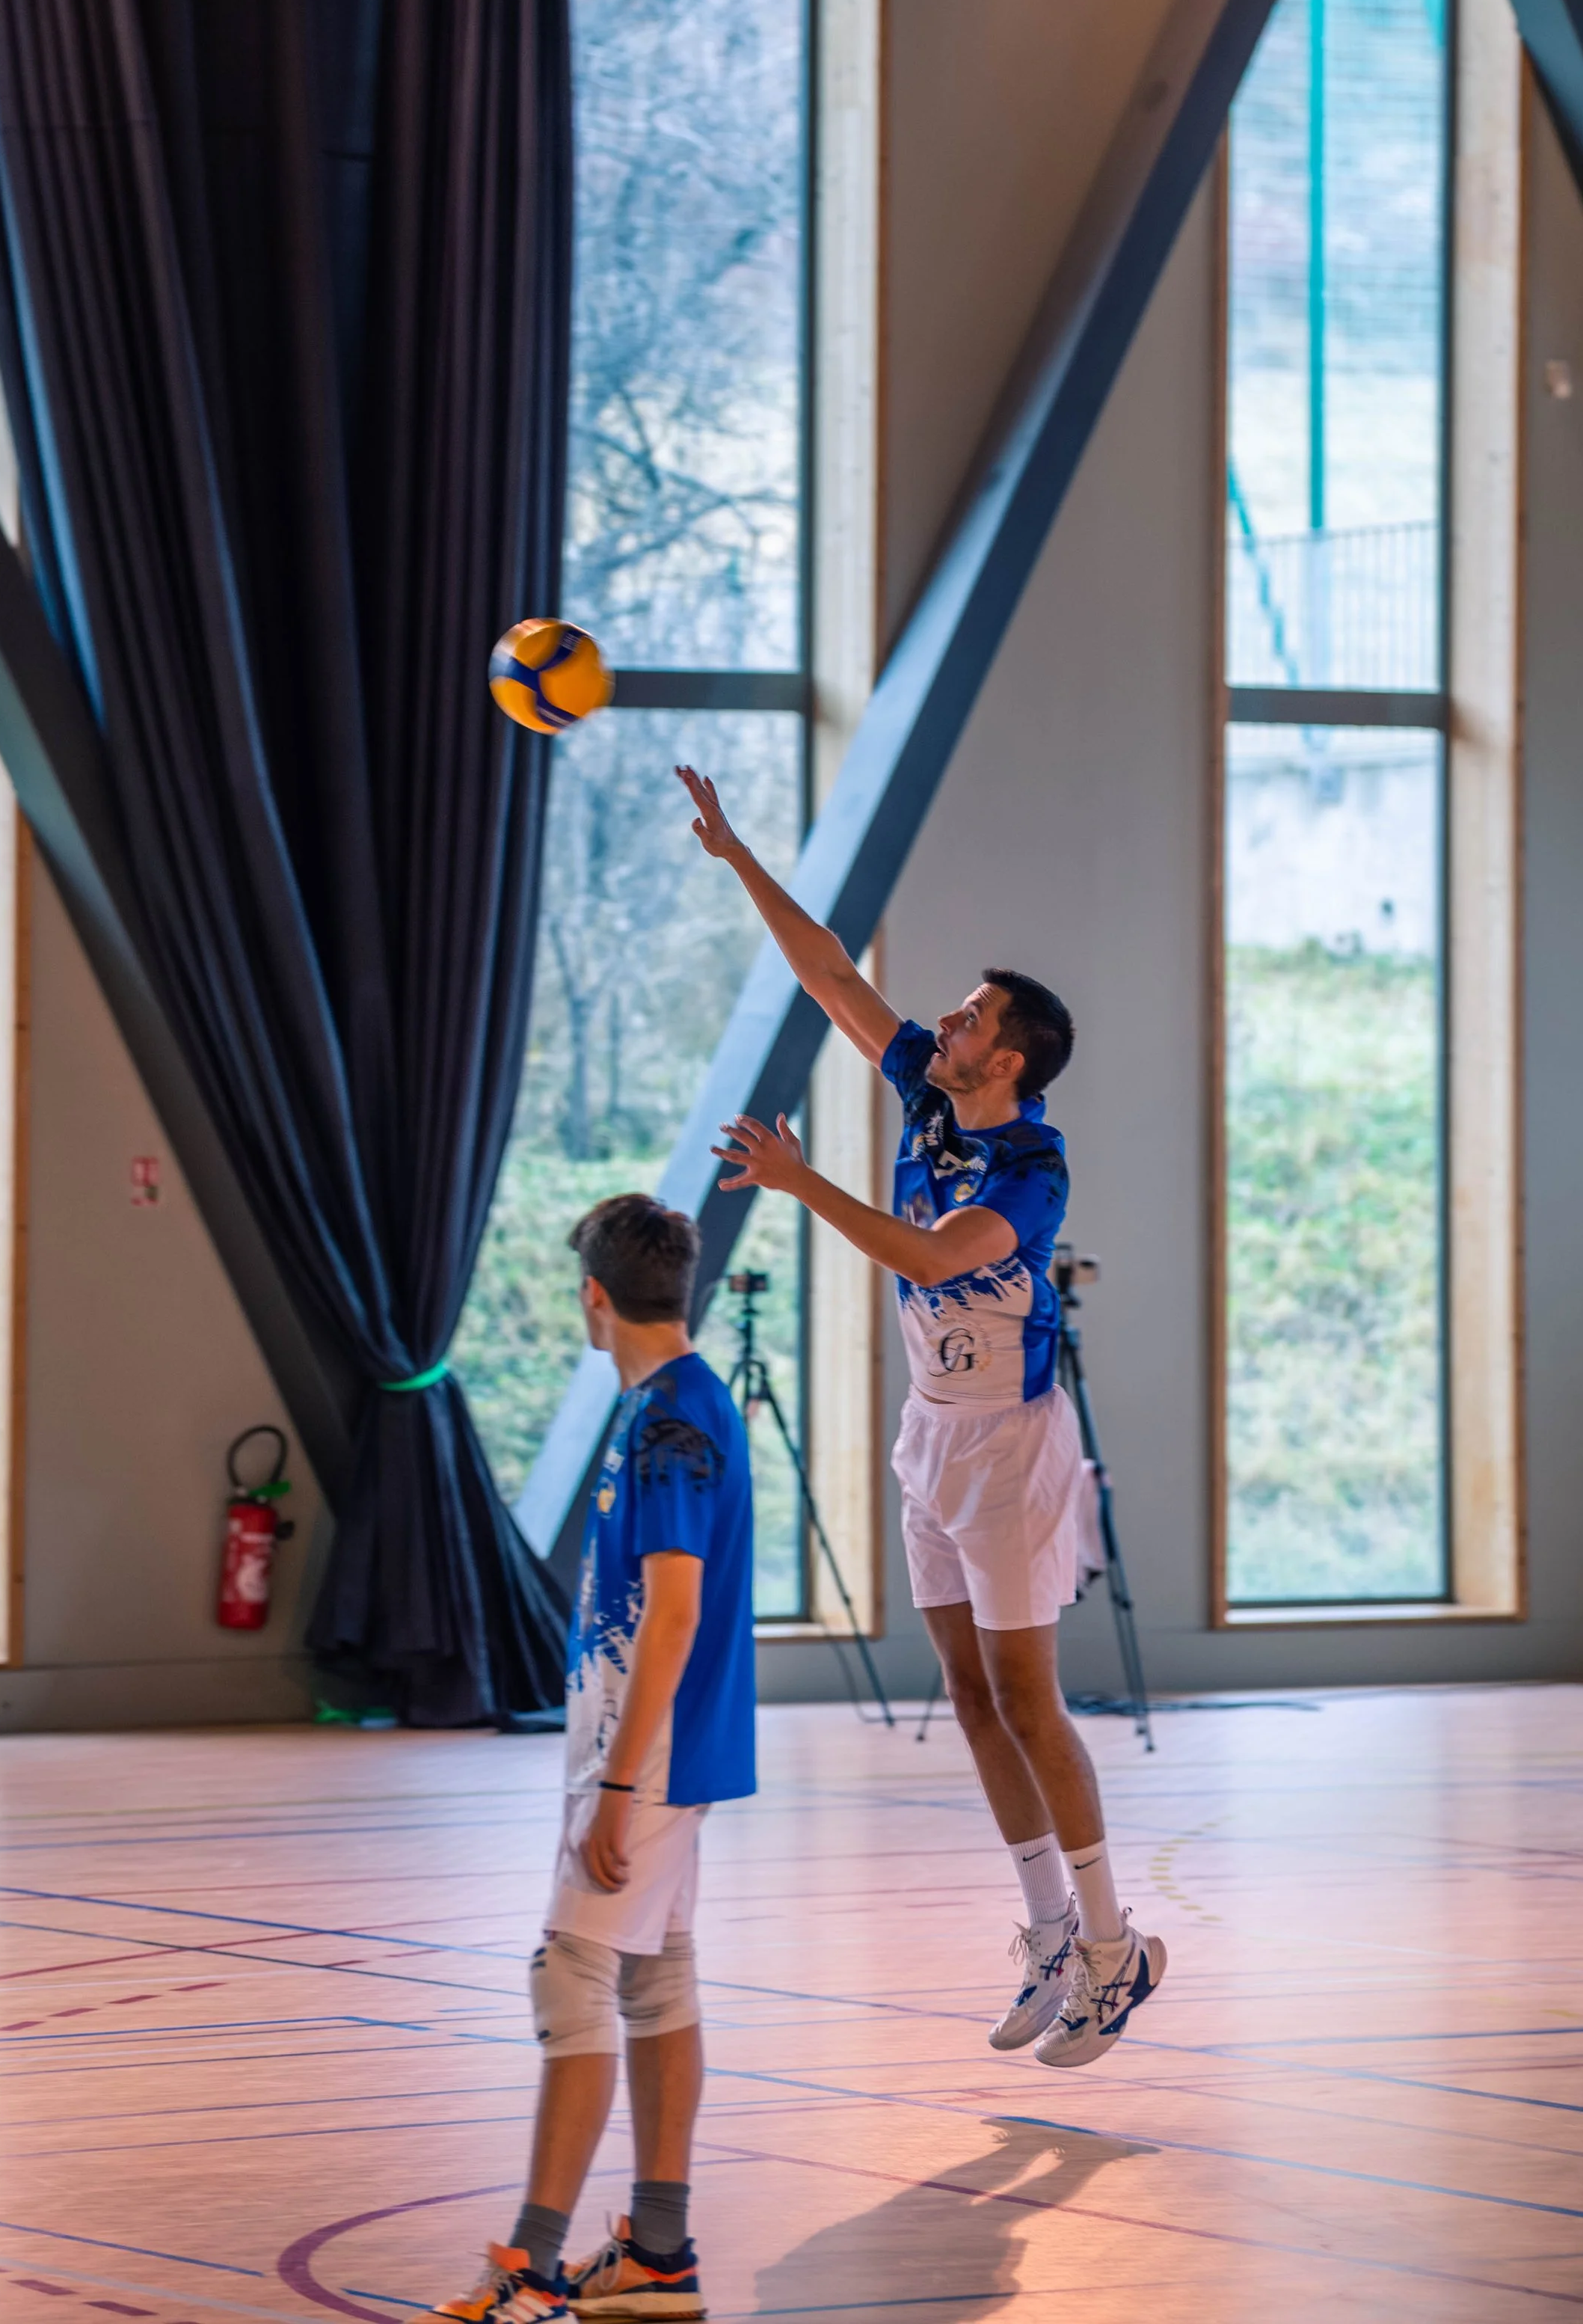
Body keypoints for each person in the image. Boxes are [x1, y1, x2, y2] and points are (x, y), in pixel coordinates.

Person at [674, 764, 1164, 2070]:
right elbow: (831, 974)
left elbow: (937, 1257)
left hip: (1012, 1442)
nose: (939, 1019)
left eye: (967, 1015)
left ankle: (1118, 1949)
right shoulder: (930, 1094)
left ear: (1006, 1058)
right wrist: (736, 859)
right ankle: (1050, 1928)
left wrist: (794, 1181)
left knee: (1026, 1694)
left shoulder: (1030, 1164)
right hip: (931, 1431)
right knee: (962, 1687)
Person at [431, 1193, 755, 2323]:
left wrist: (618, 1786)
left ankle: (528, 2268)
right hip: (653, 1751)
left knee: (570, 1978)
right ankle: (658, 2256)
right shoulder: (675, 1404)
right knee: (657, 1980)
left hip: (648, 1757)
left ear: (596, 1298)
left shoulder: (669, 1423)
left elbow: (673, 1614)